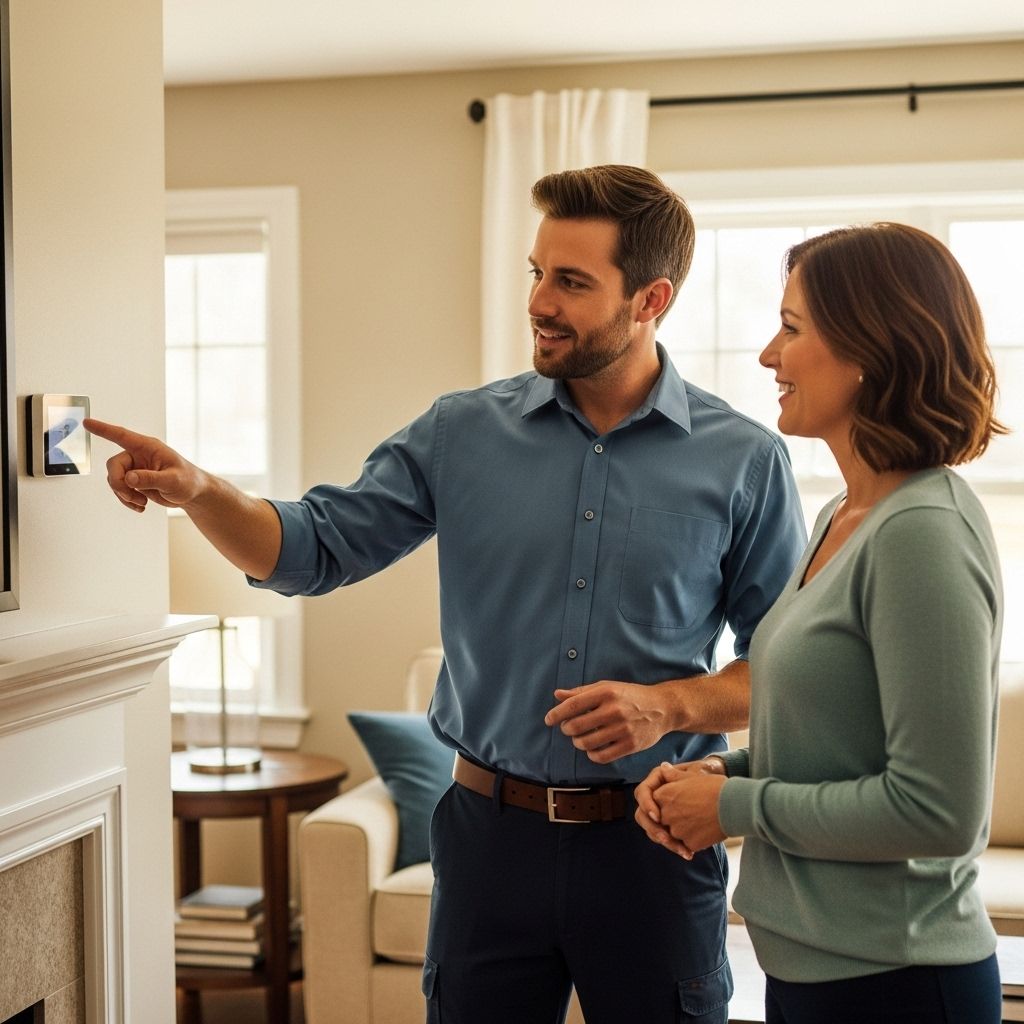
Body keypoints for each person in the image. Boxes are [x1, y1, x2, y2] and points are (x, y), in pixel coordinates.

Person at [87, 164, 807, 1024]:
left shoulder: (745, 460)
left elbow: (783, 672)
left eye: (572, 282)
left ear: (651, 300)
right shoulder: (462, 432)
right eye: (537, 273)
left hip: (654, 842)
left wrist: (668, 706)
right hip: (487, 842)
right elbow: (313, 549)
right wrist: (202, 490)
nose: (540, 301)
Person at [635, 222, 1006, 1024]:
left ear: (871, 348)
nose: (769, 355)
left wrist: (735, 811)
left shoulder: (921, 532)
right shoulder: (845, 513)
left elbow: (938, 812)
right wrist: (720, 777)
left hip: (897, 984)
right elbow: (838, 745)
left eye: (792, 328)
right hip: (818, 974)